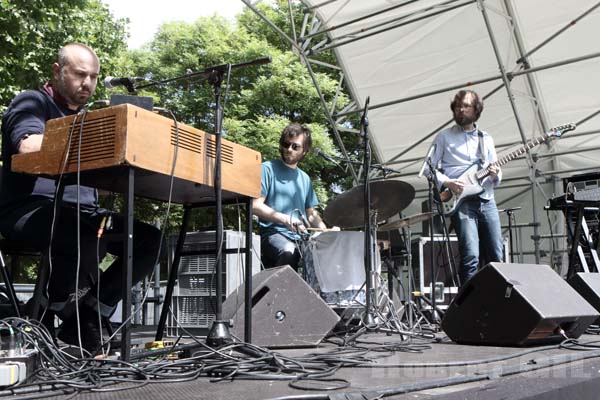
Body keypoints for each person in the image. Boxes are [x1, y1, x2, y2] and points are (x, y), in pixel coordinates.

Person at [0, 43, 161, 353]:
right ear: (58, 71)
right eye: (80, 74)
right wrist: (93, 137)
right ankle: (50, 306)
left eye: (94, 77)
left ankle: (92, 309)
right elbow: (28, 145)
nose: (87, 83)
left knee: (149, 239)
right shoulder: (33, 101)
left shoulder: (89, 118)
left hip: (85, 212)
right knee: (85, 234)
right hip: (29, 208)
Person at [428, 89, 504, 285]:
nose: (461, 110)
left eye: (466, 106)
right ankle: (469, 306)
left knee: (497, 254)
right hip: (461, 202)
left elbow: (495, 169)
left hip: (486, 199)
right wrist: (447, 182)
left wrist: (495, 175)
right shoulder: (444, 137)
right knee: (471, 256)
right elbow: (428, 169)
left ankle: (498, 302)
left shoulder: (485, 138)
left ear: (476, 109)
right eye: (458, 106)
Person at [252, 123, 329, 271]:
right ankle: (281, 293)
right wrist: (285, 219)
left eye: (295, 146)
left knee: (326, 255)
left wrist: (324, 232)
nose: (289, 149)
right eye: (286, 144)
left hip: (302, 237)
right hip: (274, 234)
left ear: (305, 151)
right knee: (289, 251)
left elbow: (311, 214)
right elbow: (255, 206)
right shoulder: (267, 169)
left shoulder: (305, 178)